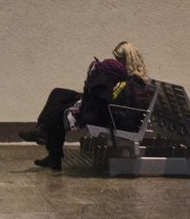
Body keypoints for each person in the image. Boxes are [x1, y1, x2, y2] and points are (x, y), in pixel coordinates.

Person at [19, 41, 150, 172]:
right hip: (103, 108)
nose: (117, 62)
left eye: (119, 59)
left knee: (60, 109)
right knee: (58, 94)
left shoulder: (134, 83)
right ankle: (43, 131)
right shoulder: (125, 77)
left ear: (128, 60)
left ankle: (50, 147)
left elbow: (123, 109)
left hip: (107, 115)